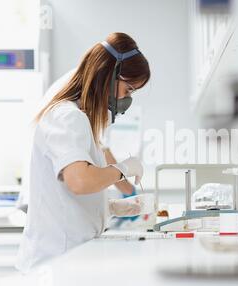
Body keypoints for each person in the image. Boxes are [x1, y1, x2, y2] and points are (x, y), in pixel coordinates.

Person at [16, 32, 150, 272]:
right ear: (108, 75)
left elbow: (71, 195)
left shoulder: (83, 121)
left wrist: (110, 207)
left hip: (68, 259)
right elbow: (79, 181)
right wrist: (122, 170)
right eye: (128, 89)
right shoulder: (67, 116)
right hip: (54, 263)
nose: (127, 99)